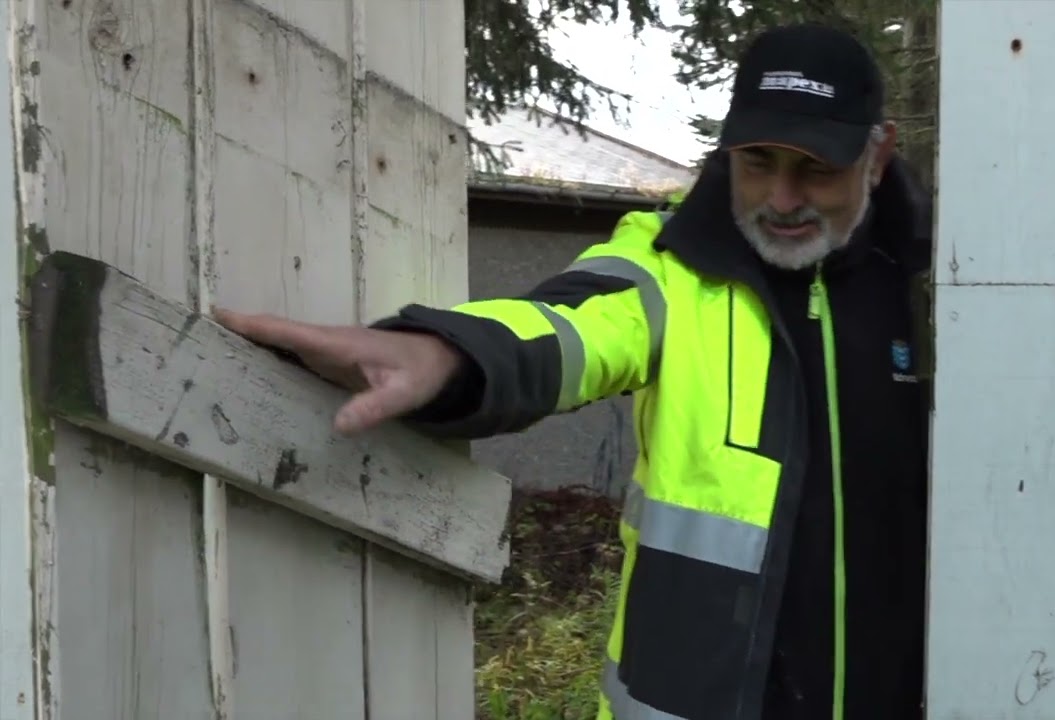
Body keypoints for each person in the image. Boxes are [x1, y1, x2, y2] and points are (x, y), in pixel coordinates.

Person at [216, 22, 933, 720]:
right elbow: (572, 323)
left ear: (877, 155)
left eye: (815, 169)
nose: (781, 199)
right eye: (757, 163)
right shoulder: (674, 264)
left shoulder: (945, 290)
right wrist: (450, 351)